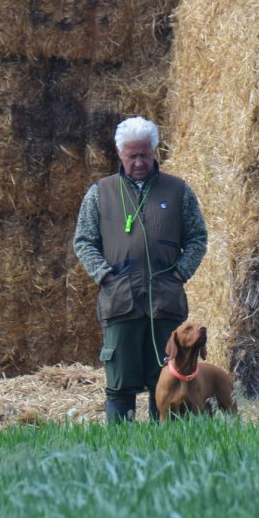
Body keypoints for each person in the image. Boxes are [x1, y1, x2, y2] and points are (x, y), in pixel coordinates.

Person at [73, 115, 208, 423]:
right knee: (120, 383)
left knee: (168, 379)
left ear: (154, 151)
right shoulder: (100, 192)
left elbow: (198, 238)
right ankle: (121, 443)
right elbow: (83, 241)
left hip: (166, 304)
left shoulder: (178, 191)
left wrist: (180, 273)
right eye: (132, 155)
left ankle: (167, 442)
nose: (138, 162)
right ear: (119, 153)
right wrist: (105, 276)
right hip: (120, 303)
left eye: (144, 155)